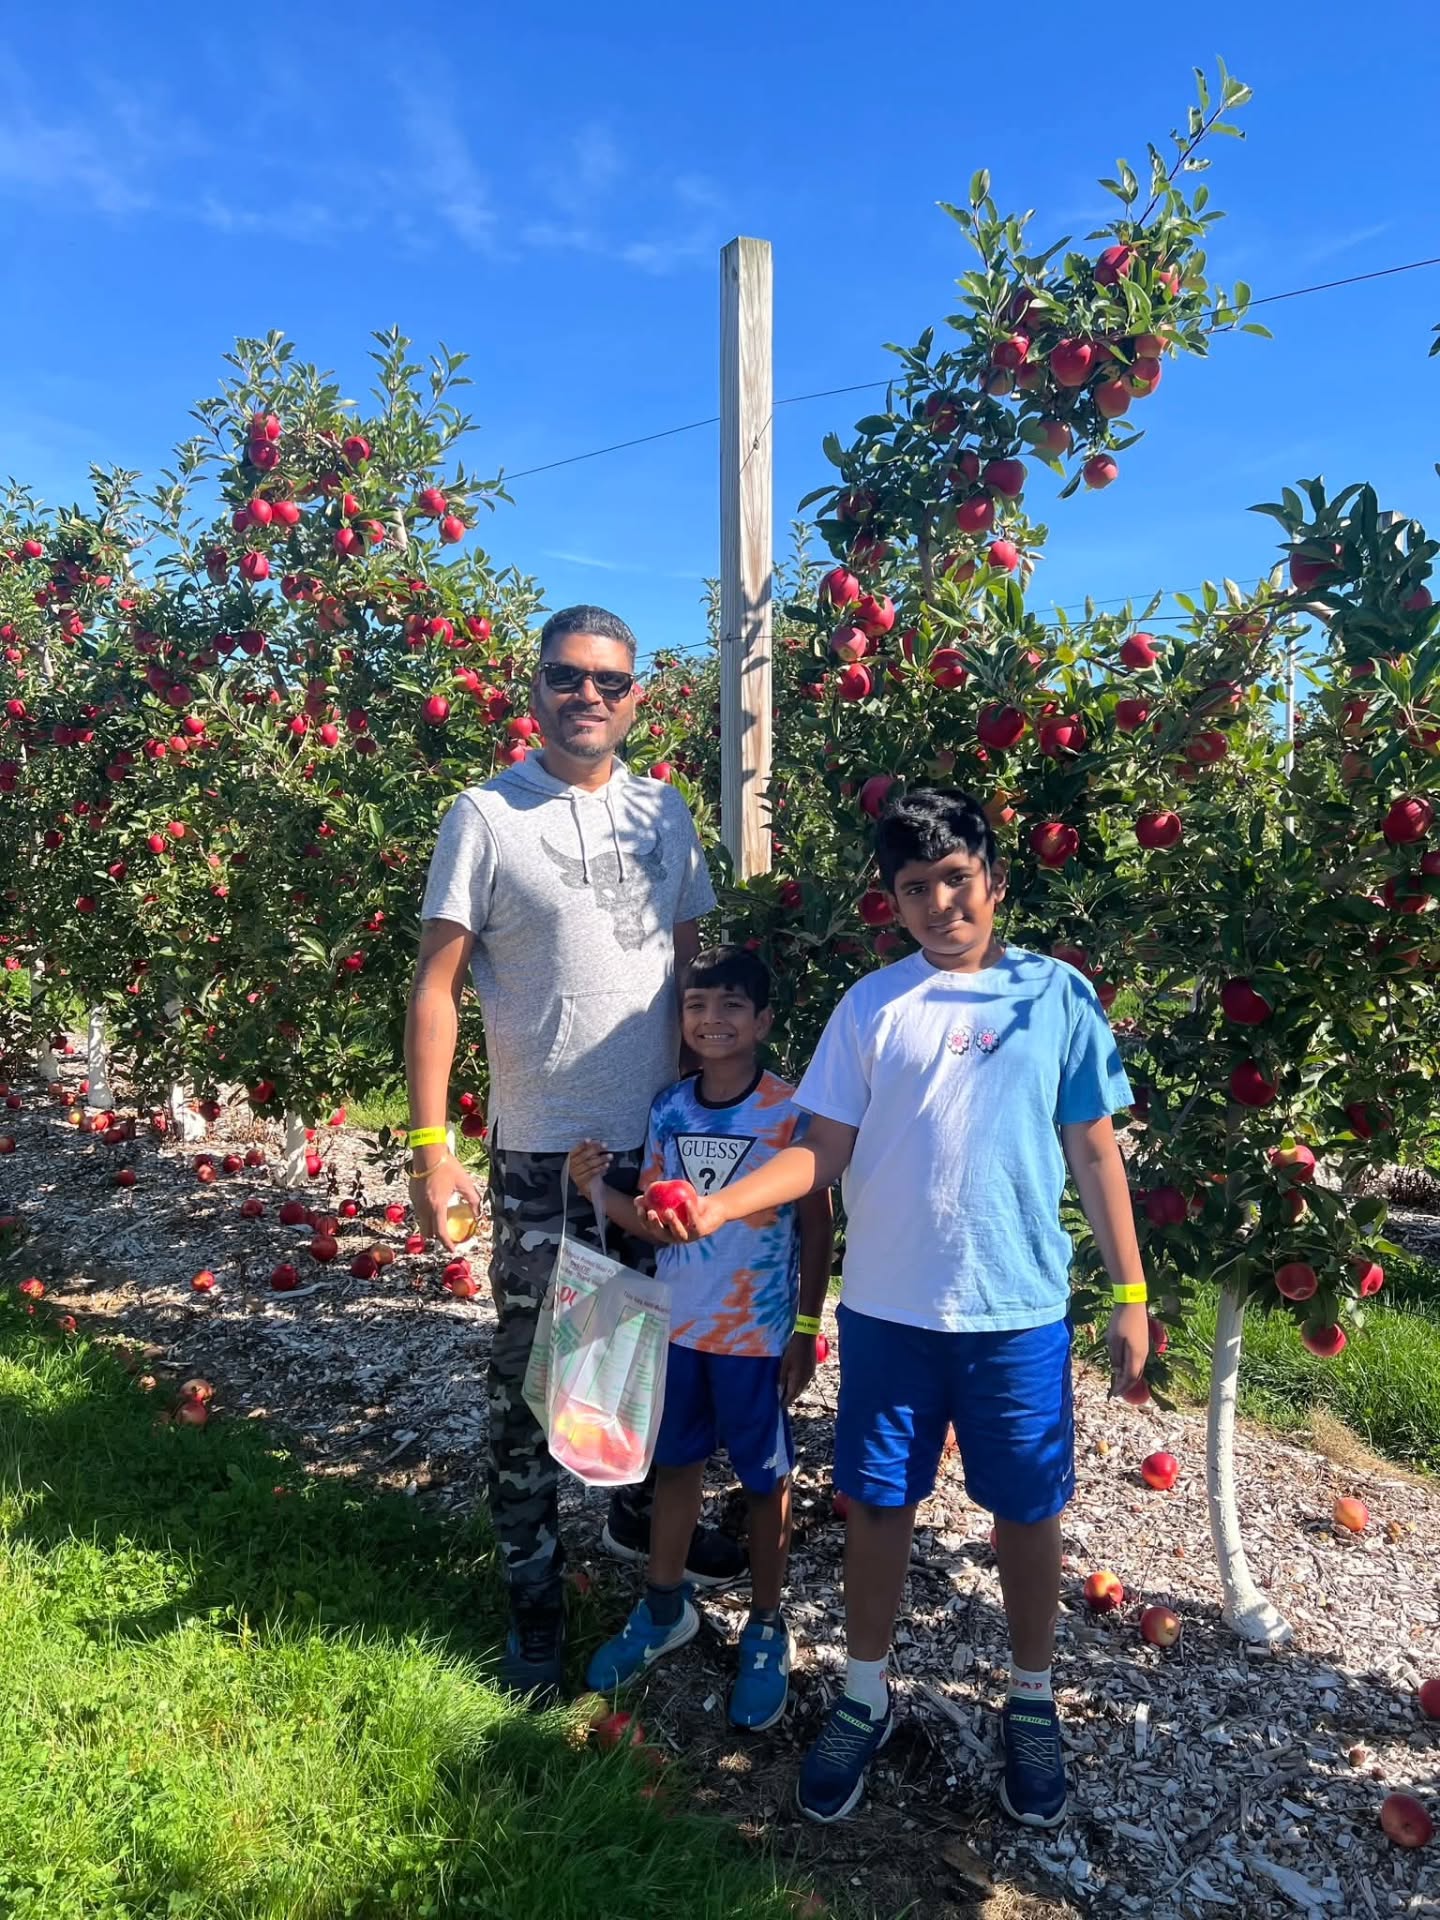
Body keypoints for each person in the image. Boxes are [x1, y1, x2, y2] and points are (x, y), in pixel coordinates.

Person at [644, 788, 1149, 1828]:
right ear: (894, 902)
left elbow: (1093, 1149)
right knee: (878, 1504)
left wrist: (1131, 1292)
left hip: (1015, 1312)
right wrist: (725, 1200)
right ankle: (863, 1691)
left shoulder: (1055, 998)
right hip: (887, 1312)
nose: (939, 904)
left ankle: (1031, 1699)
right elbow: (819, 1153)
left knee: (1027, 1510)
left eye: (955, 880)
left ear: (994, 881)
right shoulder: (872, 1008)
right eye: (915, 889)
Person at [404, 604, 746, 1705]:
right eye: (567, 677)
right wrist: (431, 1145)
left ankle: (645, 1545)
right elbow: (436, 989)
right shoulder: (485, 817)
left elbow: (699, 983)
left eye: (608, 681)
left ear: (636, 696)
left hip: (660, 1155)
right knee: (528, 1390)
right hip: (544, 1156)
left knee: (641, 1370)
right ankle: (534, 1603)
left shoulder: (666, 814)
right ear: (535, 689)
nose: (587, 696)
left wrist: (722, 1125)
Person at [570, 945, 834, 1730]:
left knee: (764, 1480)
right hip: (678, 1332)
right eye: (696, 1006)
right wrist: (592, 1187)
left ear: (763, 1021)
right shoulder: (671, 1110)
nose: (711, 1021)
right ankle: (663, 1606)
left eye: (730, 1006)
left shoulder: (792, 1112)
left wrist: (807, 1328)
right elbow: (654, 1219)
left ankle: (764, 1622)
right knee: (675, 1466)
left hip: (755, 1340)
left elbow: (818, 1228)